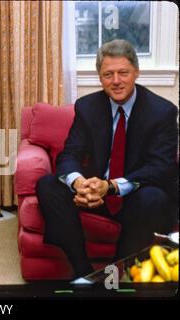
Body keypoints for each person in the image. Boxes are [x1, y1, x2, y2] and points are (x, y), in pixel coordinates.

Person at [36, 39, 178, 278]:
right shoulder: (87, 107)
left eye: (123, 73)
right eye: (108, 74)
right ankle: (82, 271)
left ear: (136, 72)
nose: (116, 81)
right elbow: (70, 153)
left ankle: (116, 270)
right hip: (96, 195)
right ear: (99, 78)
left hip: (136, 195)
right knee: (47, 185)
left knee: (153, 197)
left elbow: (160, 167)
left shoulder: (162, 111)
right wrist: (79, 183)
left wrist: (111, 187)